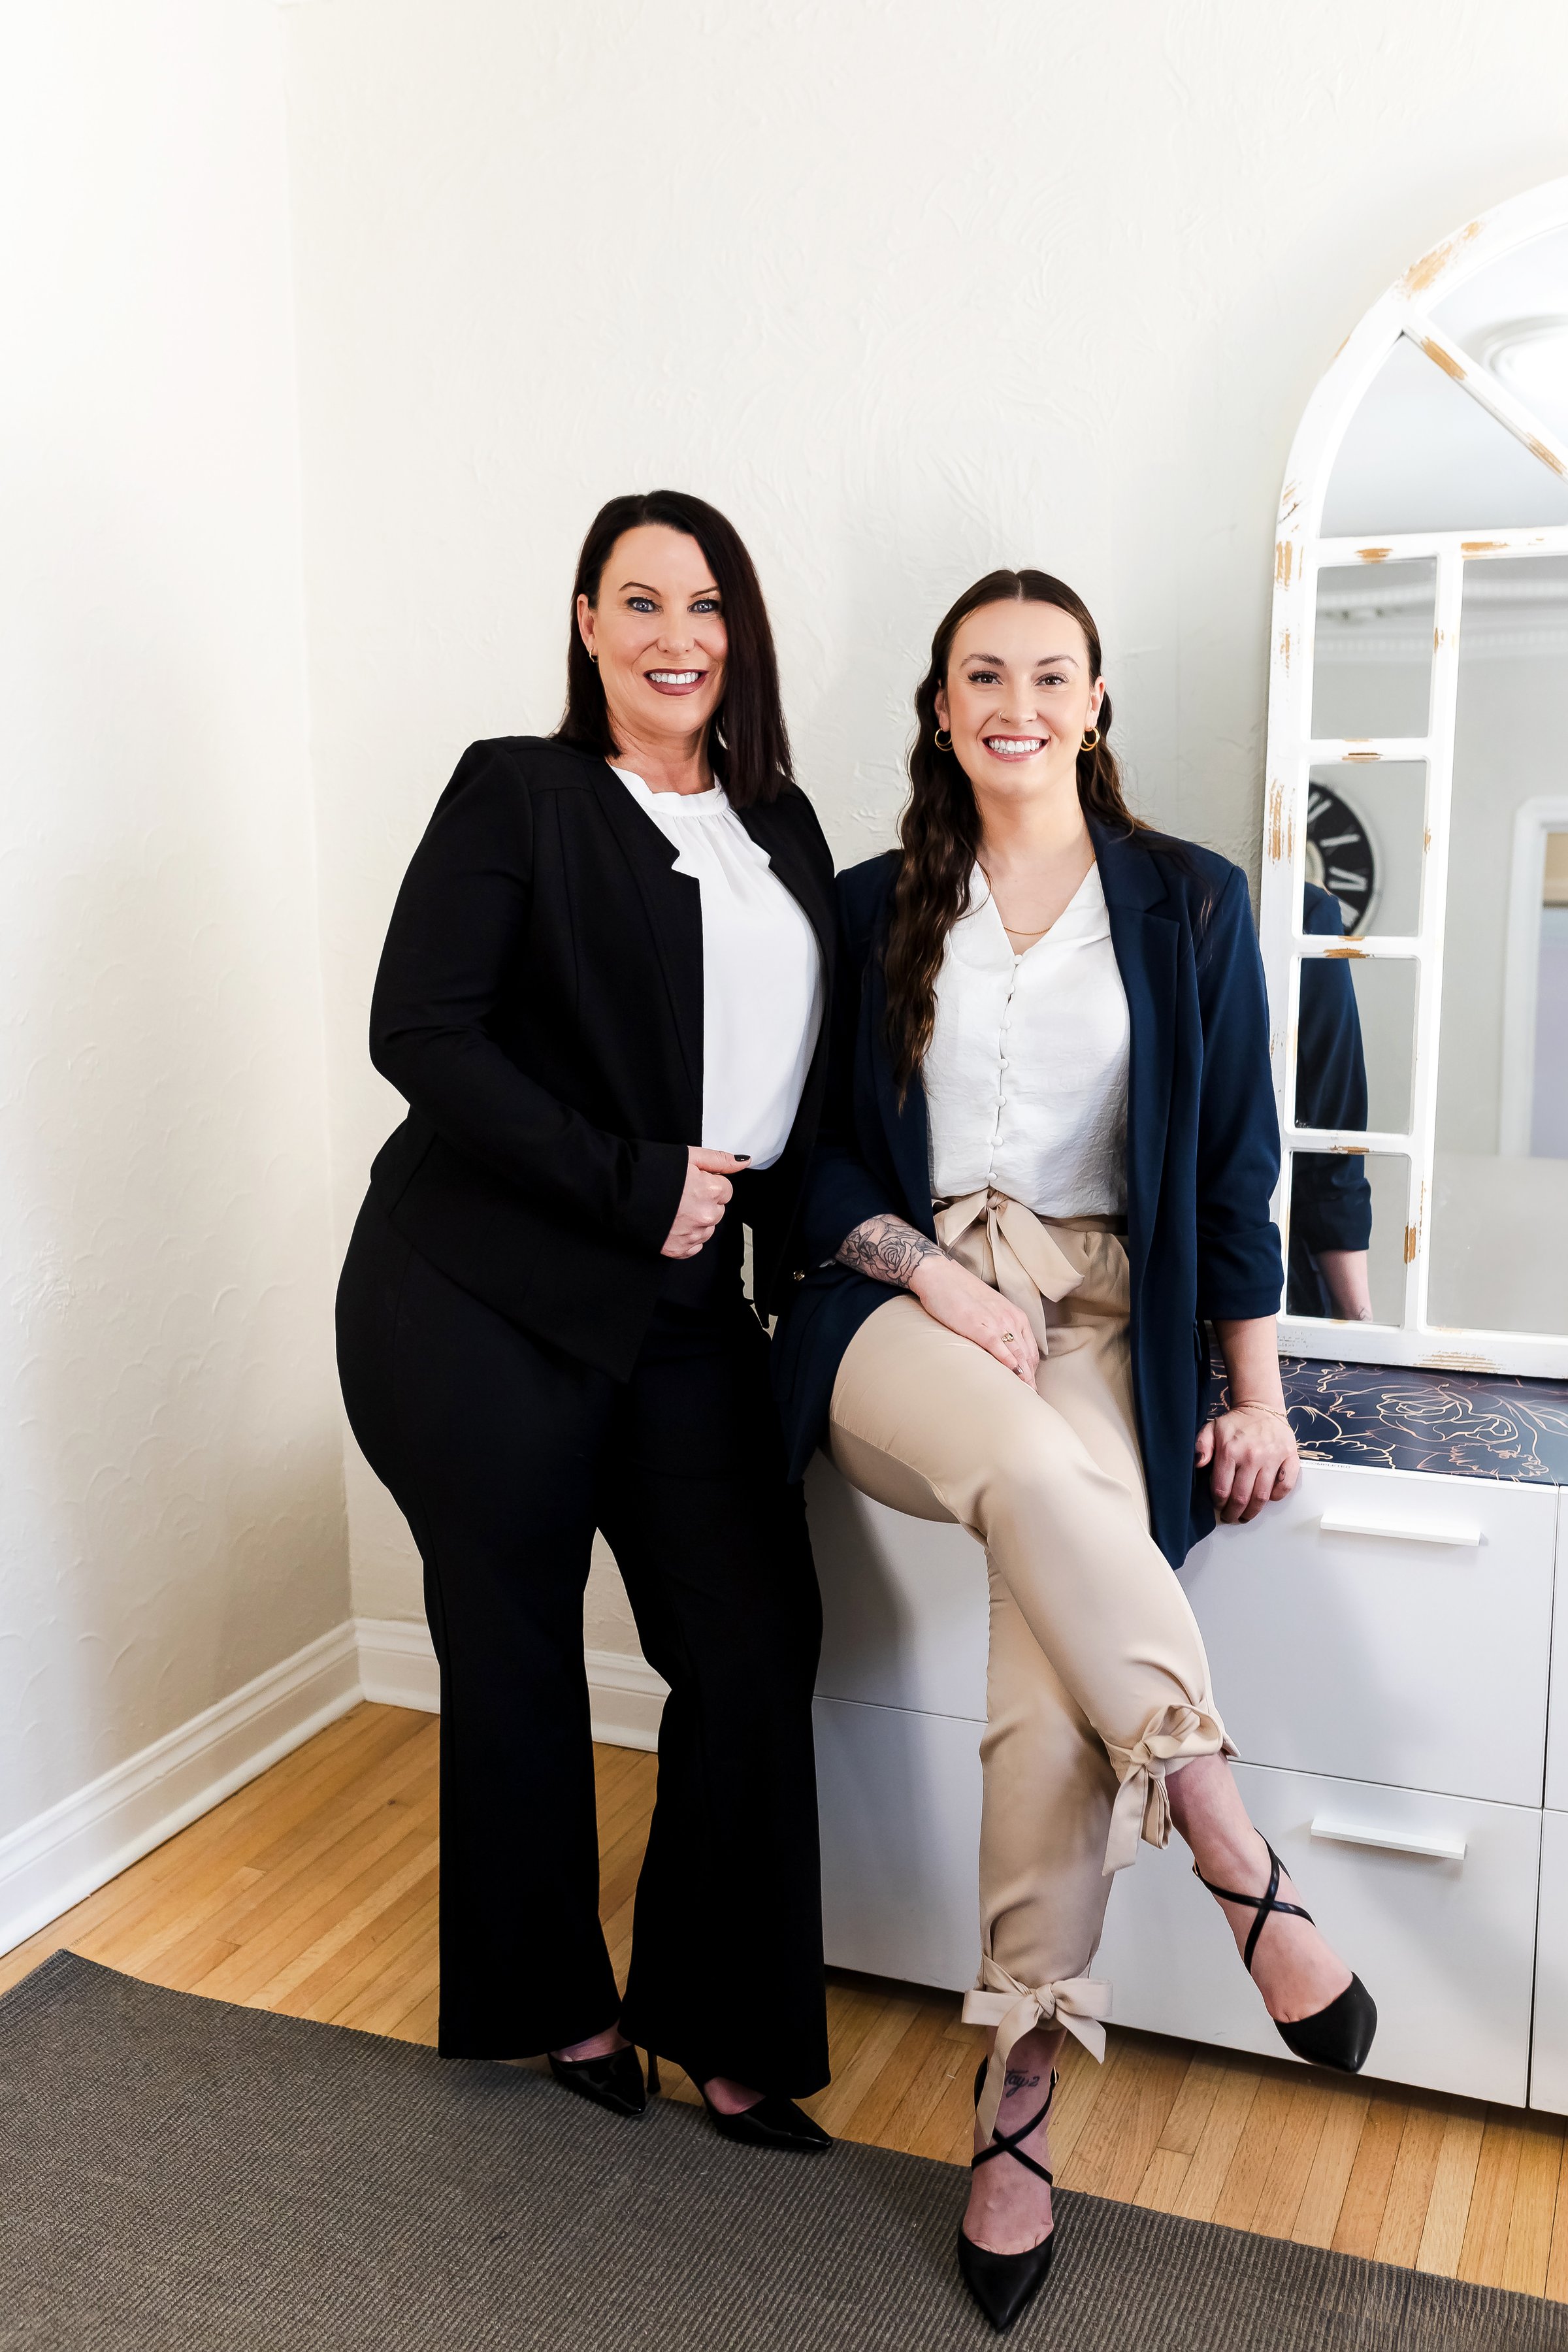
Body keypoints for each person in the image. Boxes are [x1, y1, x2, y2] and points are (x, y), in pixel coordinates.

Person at [772, 568, 1376, 2327]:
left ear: (1097, 700)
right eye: (983, 674)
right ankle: (1227, 1832)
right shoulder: (873, 901)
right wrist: (915, 1274)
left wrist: (1250, 1392)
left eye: (1051, 674)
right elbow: (811, 1166)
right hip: (898, 1317)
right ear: (942, 702)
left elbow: (1232, 1164)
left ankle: (1015, 2100)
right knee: (1032, 1481)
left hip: (1105, 1320)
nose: (1016, 702)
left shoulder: (1188, 904)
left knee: (1048, 1692)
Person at [336, 490, 836, 2151]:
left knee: (752, 1643)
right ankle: (555, 2001)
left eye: (702, 604)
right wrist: (626, 1181)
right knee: (516, 1652)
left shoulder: (781, 825)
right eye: (638, 602)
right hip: (478, 1295)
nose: (675, 634)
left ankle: (725, 2019)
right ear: (584, 625)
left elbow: (793, 1092)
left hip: (687, 1309)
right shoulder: (521, 790)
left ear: (736, 630)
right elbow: (418, 1029)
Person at [1288, 881, 1375, 1321]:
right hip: (1269, 1270)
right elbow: (1331, 1123)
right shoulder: (1301, 909)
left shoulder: (1304, 909)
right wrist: (1359, 1320)